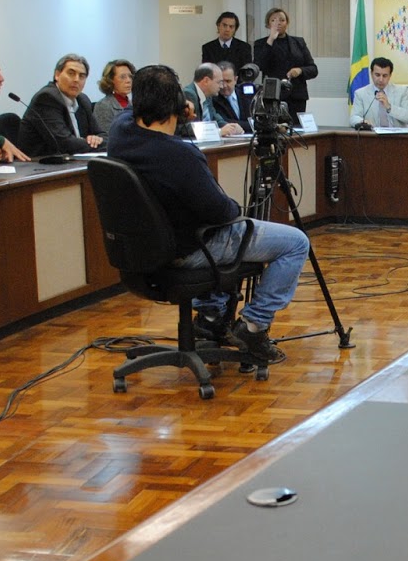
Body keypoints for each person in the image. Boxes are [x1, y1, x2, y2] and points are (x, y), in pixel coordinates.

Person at [106, 65, 309, 366]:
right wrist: (236, 207)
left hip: (143, 251)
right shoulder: (180, 156)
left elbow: (129, 115)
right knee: (295, 242)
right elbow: (222, 212)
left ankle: (212, 316)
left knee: (205, 224)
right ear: (178, 105)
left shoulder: (119, 132)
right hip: (188, 251)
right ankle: (253, 326)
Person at [18, 53, 103, 157]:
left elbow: (103, 135)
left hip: (73, 160)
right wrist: (91, 143)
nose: (76, 79)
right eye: (71, 73)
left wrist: (97, 139)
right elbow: (65, 143)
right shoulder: (46, 98)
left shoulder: (83, 100)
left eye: (82, 76)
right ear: (57, 75)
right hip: (42, 162)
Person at [252, 7, 318, 117]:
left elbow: (313, 69)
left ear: (287, 23)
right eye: (274, 20)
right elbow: (259, 65)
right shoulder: (261, 44)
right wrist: (271, 40)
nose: (278, 23)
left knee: (296, 126)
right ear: (268, 24)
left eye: (282, 20)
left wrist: (300, 70)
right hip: (273, 96)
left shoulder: (298, 42)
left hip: (296, 96)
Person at [349, 56, 408, 130]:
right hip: (373, 135)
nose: (381, 79)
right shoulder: (361, 93)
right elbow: (353, 118)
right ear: (371, 74)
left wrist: (389, 107)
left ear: (390, 75)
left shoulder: (401, 91)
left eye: (385, 76)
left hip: (397, 135)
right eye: (377, 75)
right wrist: (362, 122)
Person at [184, 63, 244, 138]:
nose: (221, 86)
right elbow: (185, 127)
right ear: (206, 81)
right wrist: (218, 131)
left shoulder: (208, 95)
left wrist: (230, 127)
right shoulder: (189, 94)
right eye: (219, 82)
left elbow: (215, 118)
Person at [91, 59, 135, 135]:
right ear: (111, 80)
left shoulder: (134, 104)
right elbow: (105, 136)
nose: (128, 80)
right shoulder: (103, 106)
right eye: (123, 77)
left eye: (130, 76)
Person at [210, 63, 246, 132]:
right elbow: (223, 121)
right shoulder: (212, 98)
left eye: (228, 81)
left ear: (235, 80)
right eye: (221, 81)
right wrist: (248, 125)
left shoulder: (245, 94)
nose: (224, 86)